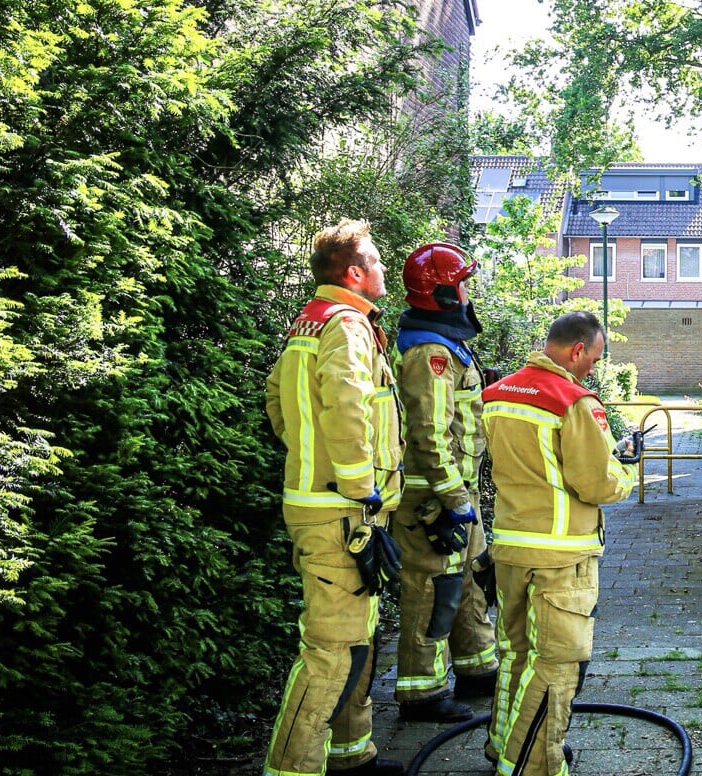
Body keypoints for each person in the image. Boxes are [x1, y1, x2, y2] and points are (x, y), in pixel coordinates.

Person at [263, 220, 405, 776]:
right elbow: (347, 409)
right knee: (329, 650)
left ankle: (351, 753)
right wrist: (361, 490)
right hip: (342, 512)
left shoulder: (310, 322)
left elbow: (277, 397)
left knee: (354, 638)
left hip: (328, 505)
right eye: (376, 259)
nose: (383, 268)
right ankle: (291, 768)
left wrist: (306, 451)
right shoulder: (346, 326)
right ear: (354, 273)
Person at [482, 312, 642, 776]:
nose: (592, 367)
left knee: (515, 654)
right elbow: (595, 483)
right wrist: (626, 470)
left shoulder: (499, 394)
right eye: (593, 358)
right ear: (577, 351)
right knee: (556, 664)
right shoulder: (573, 401)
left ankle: (500, 744)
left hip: (509, 546)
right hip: (561, 554)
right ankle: (530, 765)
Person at [392, 242, 499, 723]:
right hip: (432, 498)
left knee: (469, 579)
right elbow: (428, 435)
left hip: (458, 491)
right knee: (430, 590)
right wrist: (454, 499)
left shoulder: (446, 345)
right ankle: (422, 695)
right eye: (462, 281)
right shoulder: (430, 352)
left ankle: (478, 669)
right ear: (442, 292)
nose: (467, 289)